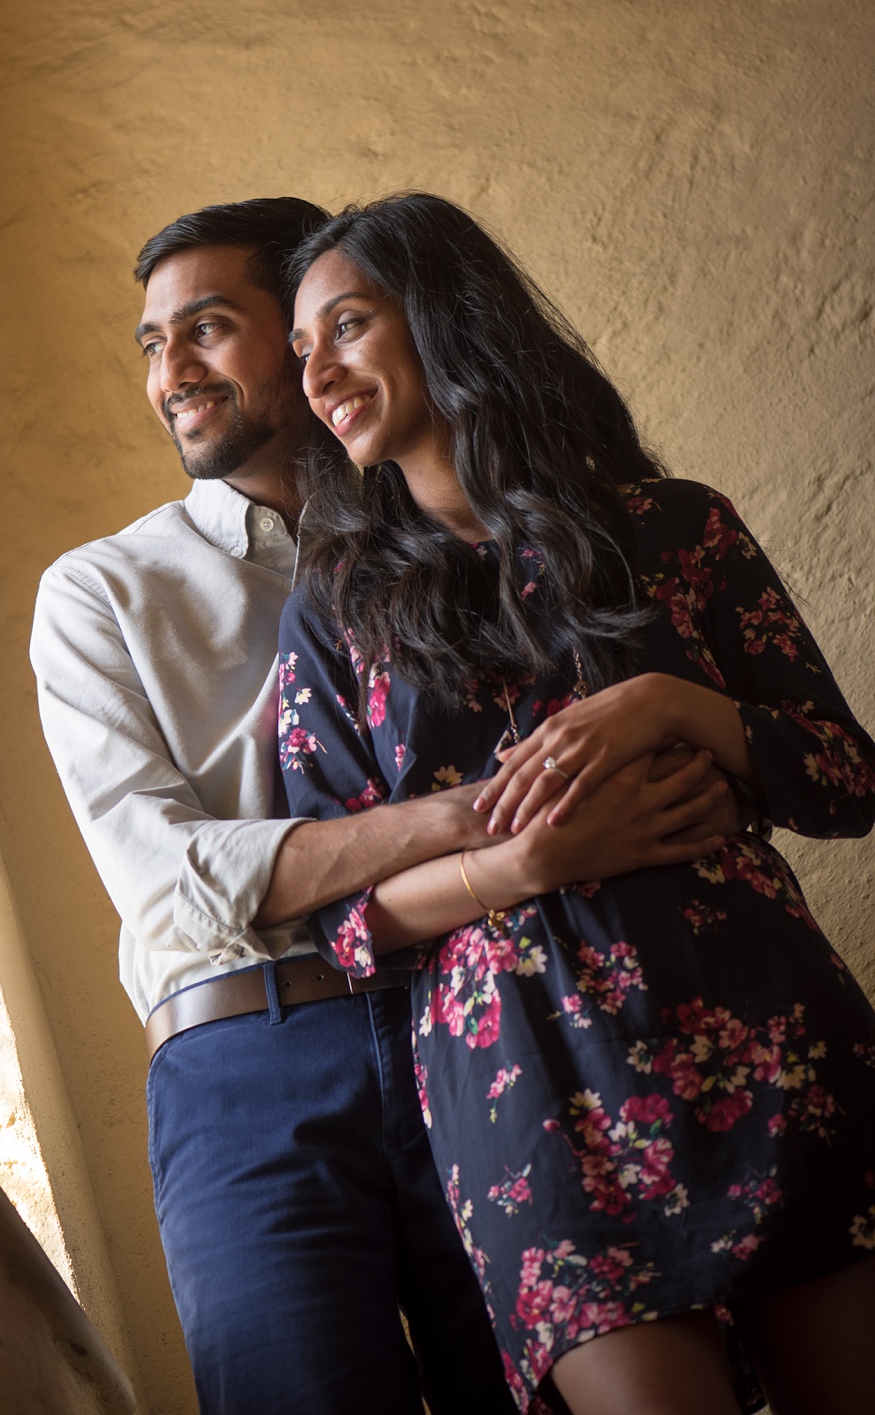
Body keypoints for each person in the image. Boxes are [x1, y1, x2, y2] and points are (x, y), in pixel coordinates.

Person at [31, 196, 743, 1415]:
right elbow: (166, 881)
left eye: (208, 327)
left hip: (492, 1017)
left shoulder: (483, 542)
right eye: (153, 344)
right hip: (251, 1052)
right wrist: (495, 820)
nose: (172, 372)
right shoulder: (103, 591)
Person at [278, 191, 875, 1415]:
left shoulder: (675, 527)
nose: (318, 369)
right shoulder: (337, 611)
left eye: (344, 325)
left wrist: (668, 701)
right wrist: (521, 866)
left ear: (443, 318)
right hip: (534, 1093)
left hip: (768, 1034)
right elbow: (338, 917)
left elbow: (845, 777)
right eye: (300, 351)